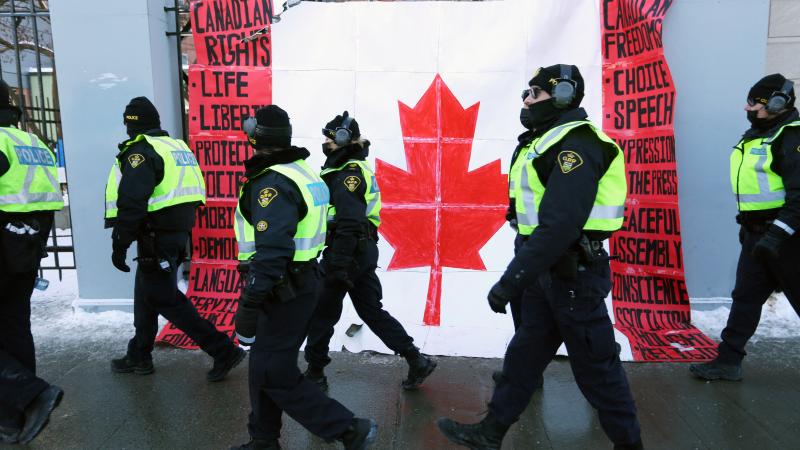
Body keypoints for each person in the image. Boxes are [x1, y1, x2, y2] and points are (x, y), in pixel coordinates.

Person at [437, 64, 642, 450]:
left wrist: (512, 279)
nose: (526, 101)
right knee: (524, 356)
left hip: (574, 275)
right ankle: (490, 432)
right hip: (547, 271)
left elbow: (560, 225)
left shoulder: (576, 146)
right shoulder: (546, 141)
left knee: (598, 371)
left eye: (534, 94)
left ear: (562, 95)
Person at [231, 105, 376, 450]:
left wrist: (251, 301)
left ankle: (349, 429)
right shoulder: (301, 171)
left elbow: (273, 250)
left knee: (273, 372)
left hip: (281, 288)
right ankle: (263, 439)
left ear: (256, 137)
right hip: (297, 282)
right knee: (263, 366)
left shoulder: (273, 183)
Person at [105, 96, 245, 380]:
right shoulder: (177, 147)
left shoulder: (141, 151)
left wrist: (119, 242)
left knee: (165, 299)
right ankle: (139, 355)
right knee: (146, 295)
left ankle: (222, 350)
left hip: (154, 236)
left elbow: (132, 201)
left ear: (132, 125)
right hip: (173, 235)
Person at [302, 111, 436, 392]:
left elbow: (350, 220)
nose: (324, 142)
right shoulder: (349, 169)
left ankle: (315, 373)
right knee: (371, 311)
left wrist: (338, 263)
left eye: (328, 138)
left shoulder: (348, 173)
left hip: (347, 250)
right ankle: (416, 359)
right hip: (361, 250)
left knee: (322, 312)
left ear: (341, 139)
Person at [690, 74, 800, 382]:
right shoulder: (758, 135)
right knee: (745, 297)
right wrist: (752, 229)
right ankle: (728, 360)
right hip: (757, 235)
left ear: (777, 104)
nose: (747, 107)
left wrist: (777, 234)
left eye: (754, 103)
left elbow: (799, 197)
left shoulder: (792, 139)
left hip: (788, 239)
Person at [0, 80, 64, 444]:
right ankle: (15, 417)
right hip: (24, 249)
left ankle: (31, 395)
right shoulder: (31, 142)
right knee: (14, 328)